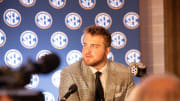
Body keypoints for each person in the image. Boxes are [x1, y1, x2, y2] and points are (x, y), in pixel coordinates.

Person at [59, 25, 135, 101]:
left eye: (94, 46)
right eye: (85, 45)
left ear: (107, 51)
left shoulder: (124, 73)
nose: (87, 51)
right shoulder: (69, 73)